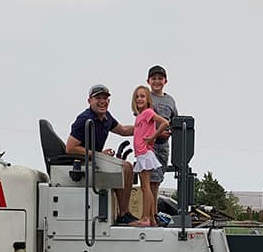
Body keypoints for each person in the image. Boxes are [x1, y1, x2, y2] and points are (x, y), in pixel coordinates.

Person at [65, 84, 137, 224]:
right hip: (84, 164)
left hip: (95, 160)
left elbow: (122, 130)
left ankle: (122, 213)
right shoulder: (84, 119)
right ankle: (123, 214)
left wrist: (144, 127)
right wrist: (98, 154)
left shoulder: (106, 117)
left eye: (105, 98)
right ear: (89, 100)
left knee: (124, 166)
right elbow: (70, 148)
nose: (102, 101)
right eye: (98, 98)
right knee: (126, 167)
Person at [129, 85, 169, 227]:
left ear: (148, 99)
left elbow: (165, 123)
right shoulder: (139, 116)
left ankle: (145, 217)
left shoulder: (147, 112)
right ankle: (151, 218)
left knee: (145, 187)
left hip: (145, 154)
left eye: (142, 96)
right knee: (145, 186)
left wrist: (153, 137)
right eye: (137, 96)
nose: (139, 99)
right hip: (140, 154)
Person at [146, 65, 178, 224]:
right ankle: (150, 216)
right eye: (154, 78)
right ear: (148, 81)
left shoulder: (170, 100)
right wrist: (157, 132)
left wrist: (168, 132)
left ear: (165, 81)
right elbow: (142, 120)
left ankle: (154, 214)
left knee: (157, 180)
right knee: (148, 181)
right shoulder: (145, 97)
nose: (157, 81)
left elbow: (174, 121)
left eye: (160, 78)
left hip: (163, 146)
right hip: (148, 144)